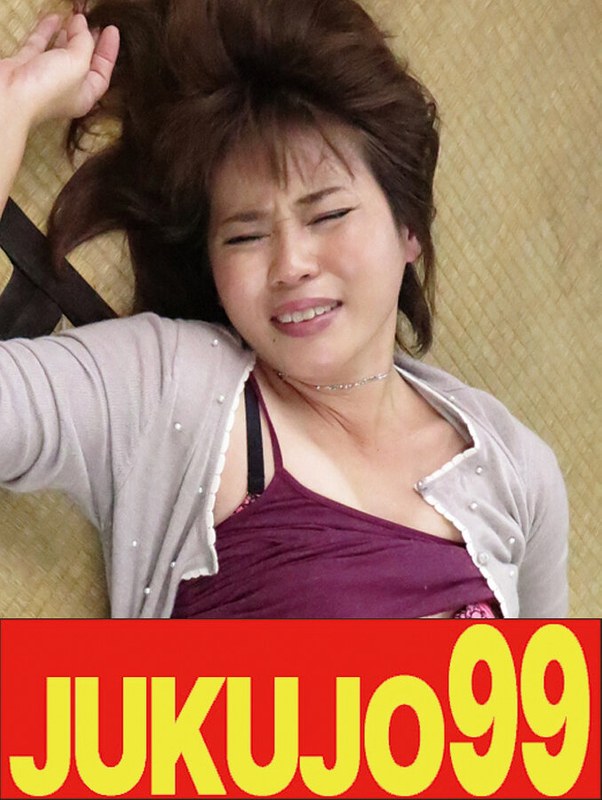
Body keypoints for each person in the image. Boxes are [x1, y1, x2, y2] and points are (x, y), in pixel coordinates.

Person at [0, 0, 568, 619]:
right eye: (245, 236)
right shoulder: (168, 388)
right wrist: (13, 106)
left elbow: (548, 682)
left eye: (329, 215)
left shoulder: (517, 468)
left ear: (408, 227)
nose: (290, 265)